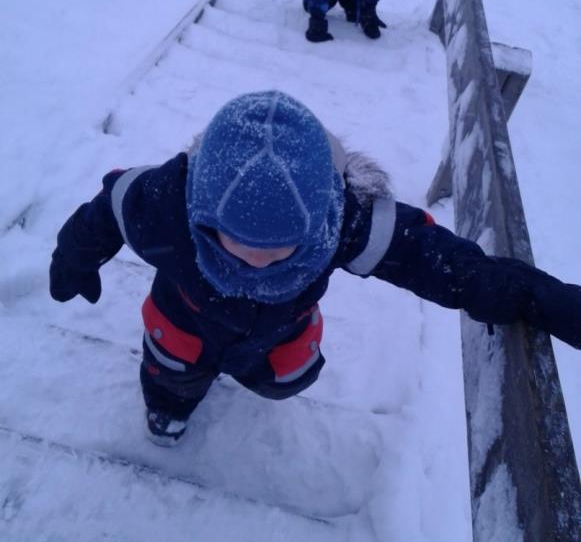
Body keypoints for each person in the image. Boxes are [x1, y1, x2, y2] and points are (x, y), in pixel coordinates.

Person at [50, 90, 581, 446]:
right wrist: (74, 258)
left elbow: (436, 259)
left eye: (281, 249)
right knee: (171, 370)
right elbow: (107, 208)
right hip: (183, 316)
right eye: (236, 243)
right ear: (202, 207)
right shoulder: (164, 204)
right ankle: (169, 407)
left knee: (283, 377)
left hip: (278, 330)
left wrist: (535, 298)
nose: (256, 260)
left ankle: (260, 378)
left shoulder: (341, 222)